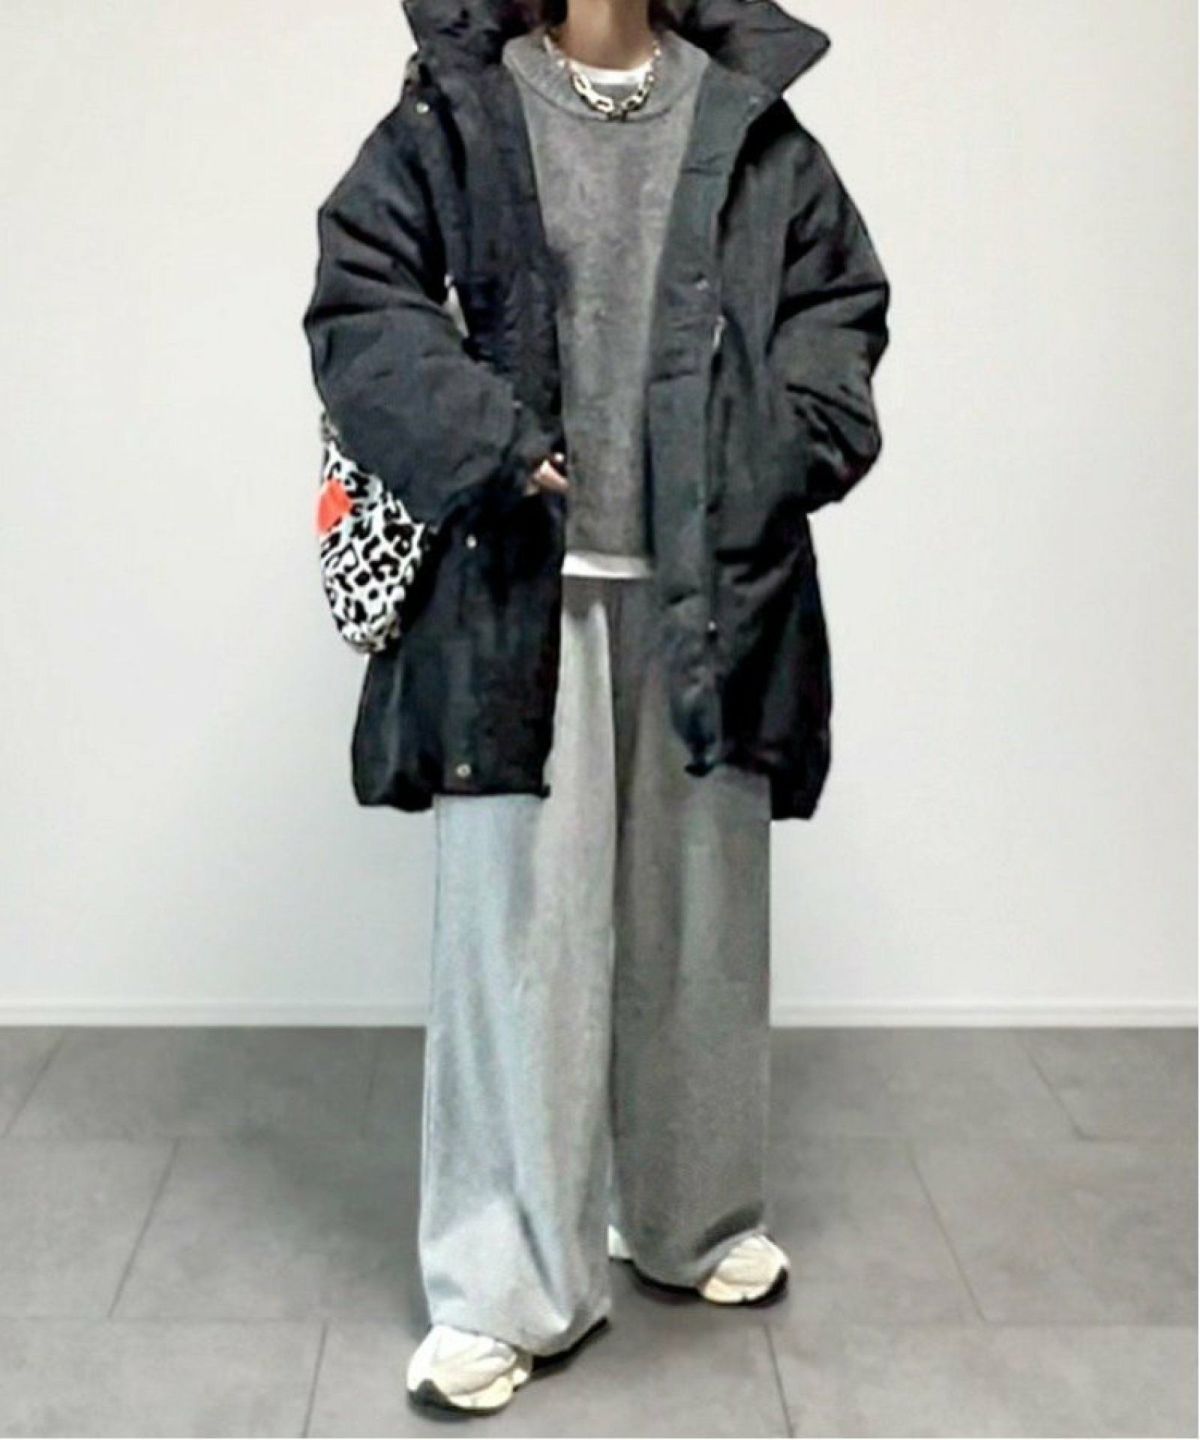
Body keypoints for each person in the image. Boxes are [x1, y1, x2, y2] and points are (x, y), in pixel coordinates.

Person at [302, 0, 890, 1415]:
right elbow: (362, 297)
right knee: (520, 945)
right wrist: (489, 440)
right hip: (521, 585)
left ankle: (690, 1218)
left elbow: (839, 307)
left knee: (703, 920)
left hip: (711, 581)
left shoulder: (750, 123)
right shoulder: (462, 109)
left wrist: (764, 452)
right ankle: (502, 1284)